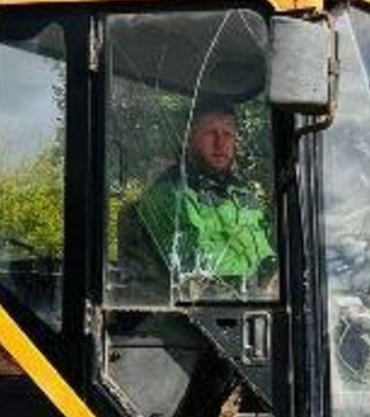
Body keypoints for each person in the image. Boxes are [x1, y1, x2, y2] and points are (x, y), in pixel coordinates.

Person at [115, 100, 275, 300]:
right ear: (188, 139)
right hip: (196, 316)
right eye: (210, 134)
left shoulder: (243, 194)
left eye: (228, 135)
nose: (220, 143)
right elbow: (195, 272)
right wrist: (263, 281)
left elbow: (269, 254)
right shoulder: (168, 194)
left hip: (257, 302)